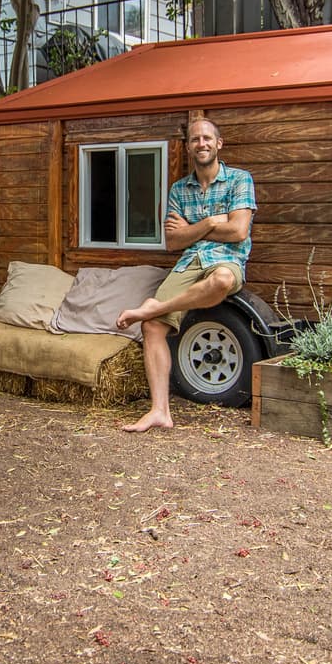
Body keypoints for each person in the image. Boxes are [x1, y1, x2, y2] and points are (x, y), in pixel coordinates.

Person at [116, 118, 256, 432]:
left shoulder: (239, 180)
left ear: (219, 144)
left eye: (207, 138)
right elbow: (174, 242)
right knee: (152, 326)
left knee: (221, 281)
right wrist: (208, 224)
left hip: (227, 259)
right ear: (189, 146)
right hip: (189, 262)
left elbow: (238, 230)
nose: (201, 144)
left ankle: (155, 306)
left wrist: (194, 229)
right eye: (195, 139)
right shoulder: (179, 189)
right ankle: (159, 411)